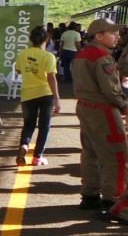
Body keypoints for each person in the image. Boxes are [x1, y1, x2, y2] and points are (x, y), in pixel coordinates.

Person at [71, 18, 128, 225]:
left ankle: (90, 195)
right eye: (112, 33)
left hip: (85, 107)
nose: (117, 36)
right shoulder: (103, 57)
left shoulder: (82, 55)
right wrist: (124, 106)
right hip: (103, 110)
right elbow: (111, 90)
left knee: (90, 152)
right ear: (99, 36)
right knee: (117, 154)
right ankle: (113, 199)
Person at [14, 25, 62, 166]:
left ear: (31, 39)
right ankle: (37, 157)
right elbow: (51, 78)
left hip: (28, 94)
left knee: (28, 125)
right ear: (47, 40)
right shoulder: (49, 56)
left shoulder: (23, 54)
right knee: (44, 126)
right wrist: (57, 99)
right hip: (46, 94)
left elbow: (18, 71)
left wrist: (30, 71)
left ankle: (24, 146)